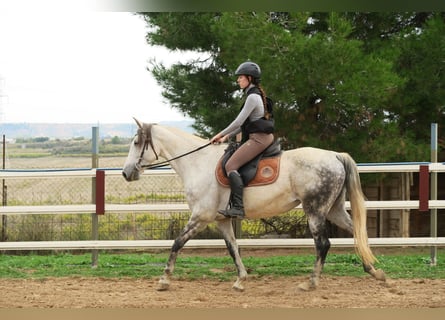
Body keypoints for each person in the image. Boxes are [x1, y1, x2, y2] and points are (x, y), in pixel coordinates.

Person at [210, 61, 274, 219]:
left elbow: (238, 122)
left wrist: (219, 133)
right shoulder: (254, 94)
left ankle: (238, 207)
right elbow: (245, 124)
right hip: (259, 137)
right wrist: (226, 136)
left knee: (231, 164)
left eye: (240, 77)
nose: (238, 80)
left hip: (258, 139)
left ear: (249, 78)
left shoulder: (252, 97)